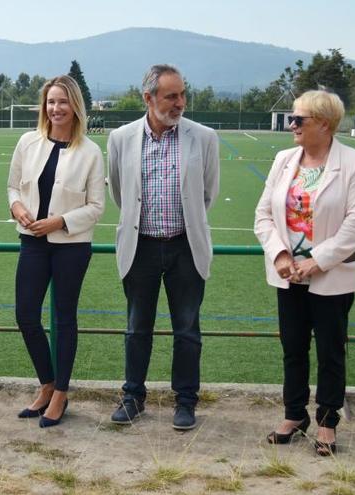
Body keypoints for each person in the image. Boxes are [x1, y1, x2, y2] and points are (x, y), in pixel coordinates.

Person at [255, 90, 355, 456]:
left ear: (324, 123)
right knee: (292, 347)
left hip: (331, 275)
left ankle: (326, 422)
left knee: (331, 350)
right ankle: (294, 415)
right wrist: (280, 255)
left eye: (298, 119)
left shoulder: (354, 163)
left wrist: (317, 260)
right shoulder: (283, 159)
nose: (292, 125)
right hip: (288, 274)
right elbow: (263, 215)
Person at [107, 64, 220, 430]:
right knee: (137, 328)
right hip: (140, 247)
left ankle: (185, 402)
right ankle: (133, 396)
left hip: (185, 248)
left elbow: (207, 193)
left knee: (187, 330)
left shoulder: (203, 138)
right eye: (171, 96)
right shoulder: (121, 138)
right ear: (149, 98)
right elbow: (119, 193)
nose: (180, 103)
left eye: (182, 94)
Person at [7, 75, 105, 428]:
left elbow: (96, 207)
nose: (55, 108)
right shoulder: (27, 142)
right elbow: (12, 187)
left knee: (64, 318)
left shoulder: (91, 152)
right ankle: (46, 384)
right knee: (25, 315)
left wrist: (59, 221)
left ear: (75, 106)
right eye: (50, 102)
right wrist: (17, 209)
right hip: (31, 242)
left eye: (62, 102)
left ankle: (61, 393)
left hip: (71, 247)